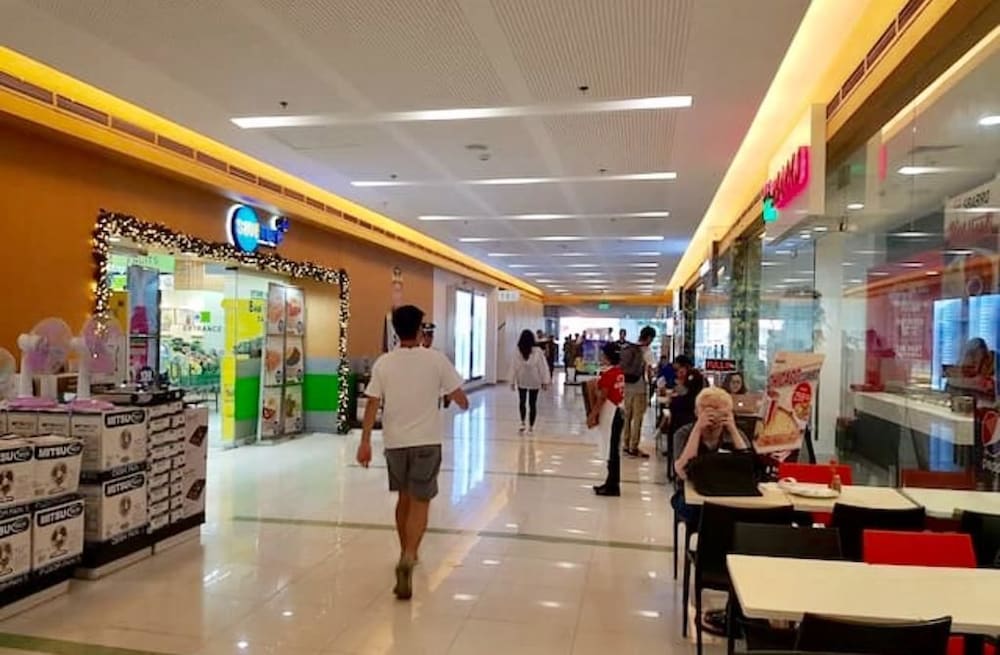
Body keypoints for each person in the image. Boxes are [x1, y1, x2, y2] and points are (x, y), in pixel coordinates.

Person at [357, 305, 469, 600]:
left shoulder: (384, 363)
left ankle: (405, 551)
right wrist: (460, 400)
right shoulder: (436, 359)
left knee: (403, 499)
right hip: (427, 443)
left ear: (396, 331)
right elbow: (459, 396)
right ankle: (410, 554)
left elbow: (372, 403)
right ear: (420, 330)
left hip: (395, 443)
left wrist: (365, 442)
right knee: (420, 501)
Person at [670, 387, 752, 523]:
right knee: (706, 514)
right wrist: (697, 429)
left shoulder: (736, 435)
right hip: (692, 492)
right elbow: (682, 471)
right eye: (707, 410)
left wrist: (733, 429)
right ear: (696, 412)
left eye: (718, 410)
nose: (712, 415)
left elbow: (749, 467)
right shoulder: (683, 433)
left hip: (728, 491)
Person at [589, 342, 625, 497]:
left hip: (611, 414)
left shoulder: (608, 374)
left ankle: (612, 486)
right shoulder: (618, 371)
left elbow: (602, 397)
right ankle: (610, 482)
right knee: (613, 449)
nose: (601, 357)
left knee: (611, 450)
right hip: (619, 411)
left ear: (608, 357)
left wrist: (592, 415)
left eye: (603, 354)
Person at [620, 326, 657, 458]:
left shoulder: (630, 348)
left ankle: (625, 445)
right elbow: (650, 371)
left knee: (627, 417)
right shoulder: (647, 351)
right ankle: (633, 447)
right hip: (640, 387)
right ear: (649, 337)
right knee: (638, 418)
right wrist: (652, 383)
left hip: (627, 386)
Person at [509, 329, 551, 434]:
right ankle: (531, 427)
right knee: (533, 404)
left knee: (522, 402)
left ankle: (522, 422)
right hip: (534, 380)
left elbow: (513, 367)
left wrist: (512, 381)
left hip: (522, 379)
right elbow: (543, 367)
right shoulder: (538, 351)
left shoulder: (517, 351)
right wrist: (545, 381)